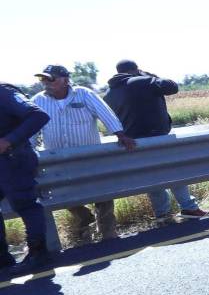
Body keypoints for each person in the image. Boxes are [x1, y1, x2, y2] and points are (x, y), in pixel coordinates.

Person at [32, 64, 136, 243]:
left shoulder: (83, 94)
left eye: (50, 78)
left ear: (65, 80)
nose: (45, 83)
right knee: (64, 194)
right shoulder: (38, 101)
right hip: (58, 159)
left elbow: (106, 113)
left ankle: (109, 234)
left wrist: (120, 134)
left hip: (89, 156)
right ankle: (84, 219)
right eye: (42, 79)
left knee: (102, 195)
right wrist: (30, 149)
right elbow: (31, 128)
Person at [105, 60, 208, 224]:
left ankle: (163, 214)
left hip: (134, 142)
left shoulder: (110, 92)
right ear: (136, 70)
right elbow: (172, 87)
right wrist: (148, 75)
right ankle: (189, 207)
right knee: (175, 172)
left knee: (153, 177)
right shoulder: (142, 81)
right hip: (158, 137)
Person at [0, 83, 52, 273]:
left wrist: (9, 140)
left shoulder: (4, 93)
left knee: (26, 205)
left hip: (13, 159)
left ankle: (39, 254)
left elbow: (39, 116)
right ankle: (3, 259)